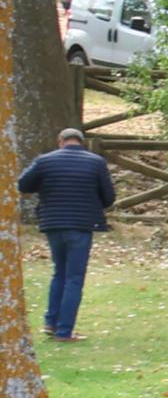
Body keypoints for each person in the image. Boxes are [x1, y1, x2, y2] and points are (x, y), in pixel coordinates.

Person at [17, 124, 114, 343]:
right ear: (81, 142)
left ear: (60, 142)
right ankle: (64, 331)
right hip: (81, 225)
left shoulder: (45, 161)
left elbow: (23, 184)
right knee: (74, 277)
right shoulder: (95, 162)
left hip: (53, 223)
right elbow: (108, 197)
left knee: (59, 272)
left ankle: (51, 322)